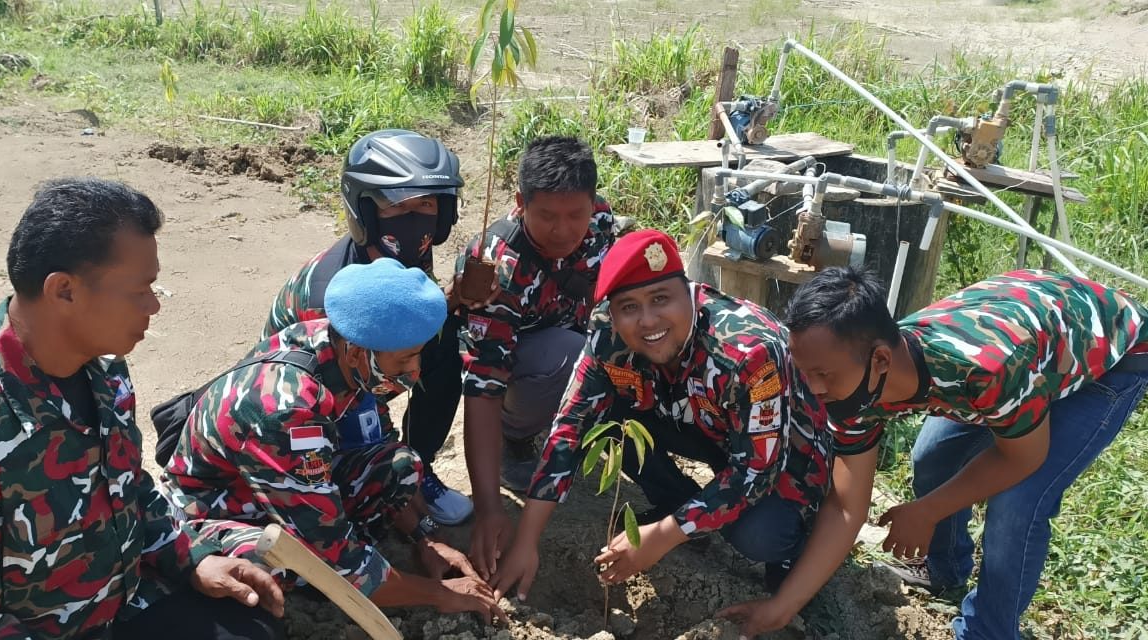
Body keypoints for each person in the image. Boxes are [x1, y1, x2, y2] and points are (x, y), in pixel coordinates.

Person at [0, 178, 284, 640]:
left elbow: (128, 488)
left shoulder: (103, 370)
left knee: (253, 623)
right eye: (140, 290)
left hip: (114, 609)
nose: (154, 305)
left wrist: (191, 556)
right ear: (64, 290)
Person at [723, 267, 1148, 639]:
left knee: (1019, 501)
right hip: (1029, 328)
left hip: (1107, 354)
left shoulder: (985, 372)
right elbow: (846, 507)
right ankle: (945, 566)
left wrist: (926, 511)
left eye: (822, 375)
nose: (812, 388)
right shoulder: (855, 387)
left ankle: (988, 632)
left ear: (881, 360)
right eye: (805, 373)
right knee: (933, 455)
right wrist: (782, 607)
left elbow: (1022, 459)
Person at [490, 230, 833, 603]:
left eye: (660, 299)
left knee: (759, 536)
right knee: (608, 424)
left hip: (783, 455)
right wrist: (527, 541)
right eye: (629, 307)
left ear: (687, 291)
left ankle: (795, 548)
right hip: (702, 423)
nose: (648, 321)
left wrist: (664, 536)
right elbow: (572, 426)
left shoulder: (748, 352)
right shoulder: (609, 330)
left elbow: (755, 472)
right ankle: (677, 501)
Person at [164, 258, 506, 624]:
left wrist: (426, 538)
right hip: (214, 513)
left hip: (280, 484)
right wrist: (441, 595)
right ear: (359, 353)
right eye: (406, 359)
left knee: (401, 466)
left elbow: (379, 440)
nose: (415, 371)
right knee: (282, 567)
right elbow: (338, 560)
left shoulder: (341, 348)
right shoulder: (290, 412)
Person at [262, 129, 474, 526]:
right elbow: (346, 385)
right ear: (365, 211)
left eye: (426, 204)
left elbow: (401, 327)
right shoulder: (330, 297)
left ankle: (418, 469)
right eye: (396, 207)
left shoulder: (408, 256)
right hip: (313, 397)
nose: (414, 221)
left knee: (443, 346)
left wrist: (454, 298)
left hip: (364, 371)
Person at [458, 135, 620, 578]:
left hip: (574, 331)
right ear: (520, 203)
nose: (564, 230)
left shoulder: (602, 222)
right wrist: (489, 506)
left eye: (576, 215)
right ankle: (517, 439)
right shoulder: (498, 265)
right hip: (526, 359)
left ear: (593, 203)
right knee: (566, 355)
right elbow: (482, 388)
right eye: (546, 215)